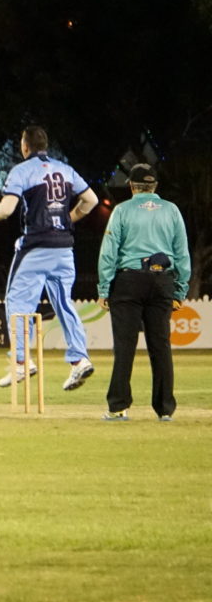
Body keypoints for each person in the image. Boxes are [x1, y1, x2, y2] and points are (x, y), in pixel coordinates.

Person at [0, 125, 99, 391]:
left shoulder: (22, 170)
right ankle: (79, 359)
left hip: (36, 246)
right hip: (63, 249)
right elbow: (91, 200)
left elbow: (8, 208)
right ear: (45, 146)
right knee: (64, 303)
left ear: (24, 147)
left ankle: (21, 361)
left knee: (17, 302)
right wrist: (68, 219)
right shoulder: (65, 169)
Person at [97, 163, 191, 422]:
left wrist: (104, 287)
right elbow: (182, 253)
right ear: (155, 187)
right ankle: (165, 409)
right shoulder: (171, 210)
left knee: (125, 346)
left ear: (131, 186)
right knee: (160, 346)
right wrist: (180, 289)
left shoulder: (122, 210)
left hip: (129, 280)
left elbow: (109, 251)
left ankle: (118, 407)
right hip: (162, 281)